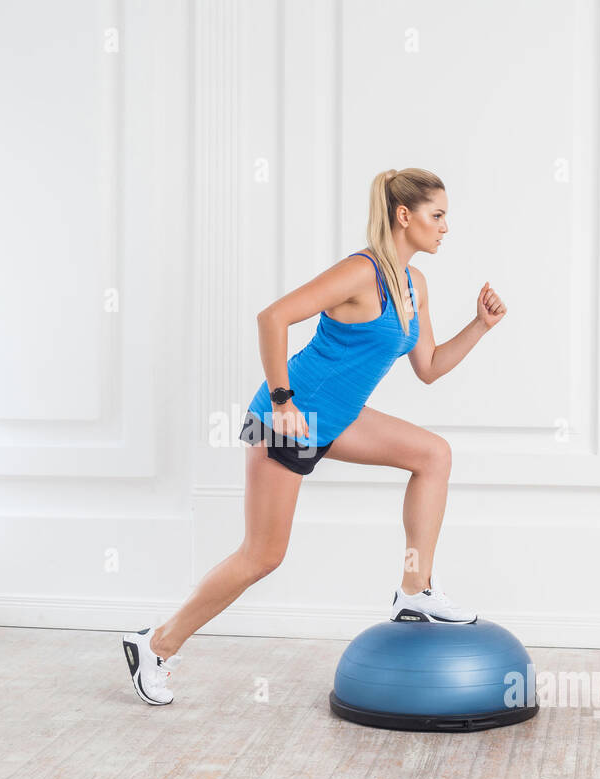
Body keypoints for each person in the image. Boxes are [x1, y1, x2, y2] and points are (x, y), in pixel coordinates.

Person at [122, 167, 508, 706]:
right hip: (289, 418)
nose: (445, 228)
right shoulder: (360, 272)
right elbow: (273, 317)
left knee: (433, 456)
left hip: (340, 417)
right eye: (437, 216)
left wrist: (481, 326)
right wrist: (281, 404)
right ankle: (156, 645)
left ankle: (414, 592)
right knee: (262, 555)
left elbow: (430, 367)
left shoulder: (414, 285)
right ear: (404, 216)